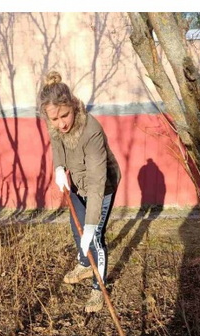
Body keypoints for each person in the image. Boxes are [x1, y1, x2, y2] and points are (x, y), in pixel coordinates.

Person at [39, 71, 121, 313]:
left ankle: (99, 288)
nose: (61, 123)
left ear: (73, 105)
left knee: (93, 237)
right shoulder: (54, 123)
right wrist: (58, 168)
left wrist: (92, 225)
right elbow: (57, 143)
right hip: (76, 182)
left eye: (65, 115)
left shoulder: (91, 131)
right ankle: (85, 265)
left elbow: (97, 182)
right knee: (76, 230)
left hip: (101, 187)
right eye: (54, 119)